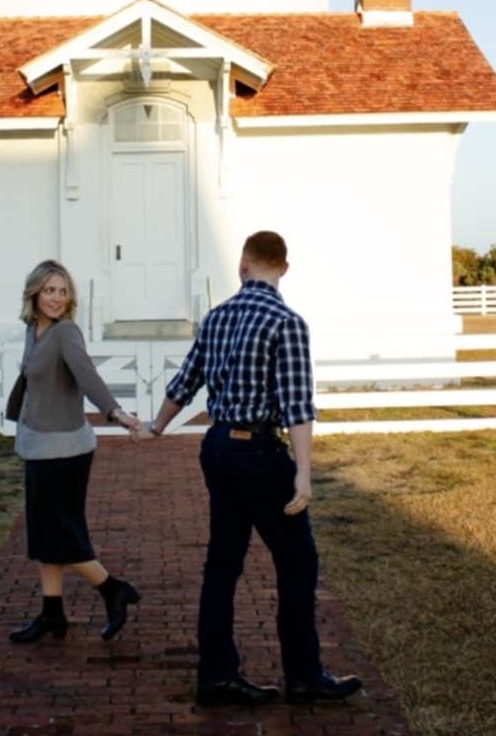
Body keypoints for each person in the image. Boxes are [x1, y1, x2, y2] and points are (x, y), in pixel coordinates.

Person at [136, 231, 363, 706]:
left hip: (218, 447)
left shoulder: (216, 318)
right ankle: (303, 675)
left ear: (243, 265)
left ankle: (217, 674)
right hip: (258, 452)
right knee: (298, 561)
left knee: (223, 562)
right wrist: (303, 473)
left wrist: (157, 426)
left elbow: (185, 380)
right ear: (284, 268)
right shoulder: (286, 322)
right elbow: (297, 404)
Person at [8, 259, 143, 644]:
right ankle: (52, 614)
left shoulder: (66, 333)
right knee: (42, 534)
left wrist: (115, 412)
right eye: (49, 290)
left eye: (63, 291)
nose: (56, 298)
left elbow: (87, 375)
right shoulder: (34, 329)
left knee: (61, 534)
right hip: (38, 445)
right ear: (35, 293)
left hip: (65, 451)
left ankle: (114, 590)